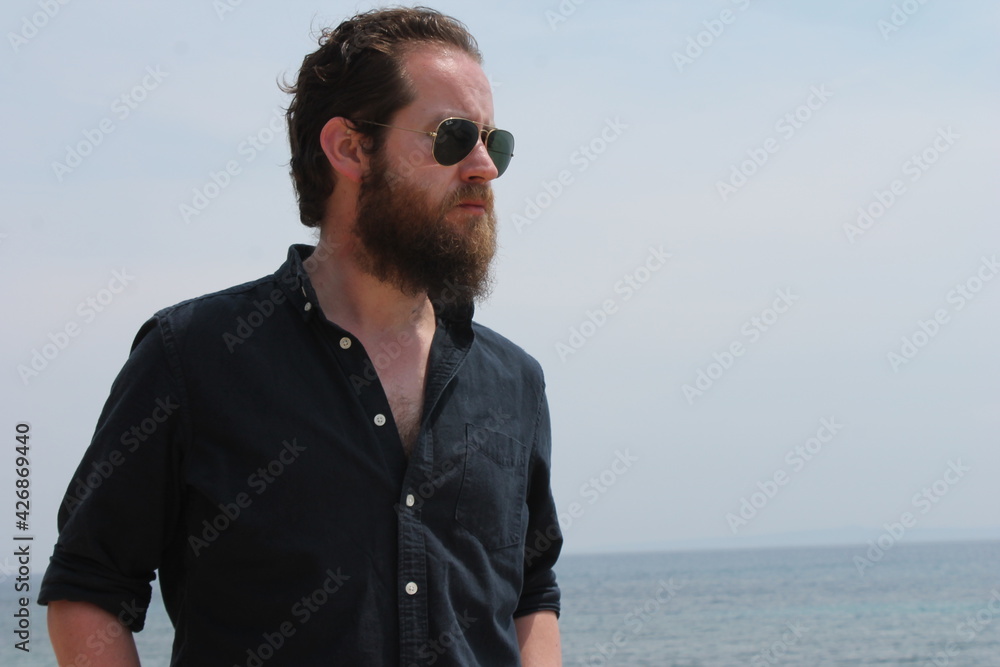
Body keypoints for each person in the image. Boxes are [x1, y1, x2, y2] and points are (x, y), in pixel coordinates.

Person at [39, 7, 563, 665]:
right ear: (349, 147)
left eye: (496, 142)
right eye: (453, 137)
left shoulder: (515, 381)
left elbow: (531, 592)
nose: (485, 167)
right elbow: (89, 586)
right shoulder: (193, 357)